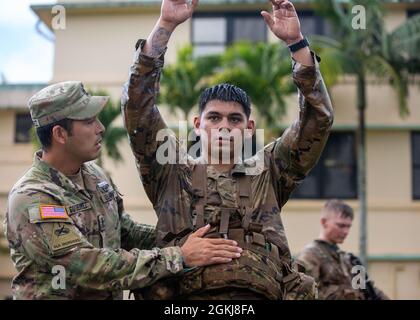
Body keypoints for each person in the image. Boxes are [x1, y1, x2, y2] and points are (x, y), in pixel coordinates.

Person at [122, 0, 333, 300]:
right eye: (214, 118)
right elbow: (137, 110)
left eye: (234, 119)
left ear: (249, 128)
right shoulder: (170, 170)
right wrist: (165, 26)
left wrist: (296, 44)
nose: (223, 127)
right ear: (198, 124)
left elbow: (318, 120)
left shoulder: (269, 170)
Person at [4, 81, 241, 300]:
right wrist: (178, 256)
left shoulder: (94, 176)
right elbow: (87, 266)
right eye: (88, 121)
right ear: (60, 134)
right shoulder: (32, 197)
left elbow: (123, 232)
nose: (101, 128)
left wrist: (186, 236)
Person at [297, 199, 389, 300]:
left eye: (348, 226)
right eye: (341, 225)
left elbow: (368, 290)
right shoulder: (310, 256)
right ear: (324, 222)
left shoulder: (349, 260)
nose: (346, 231)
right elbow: (305, 294)